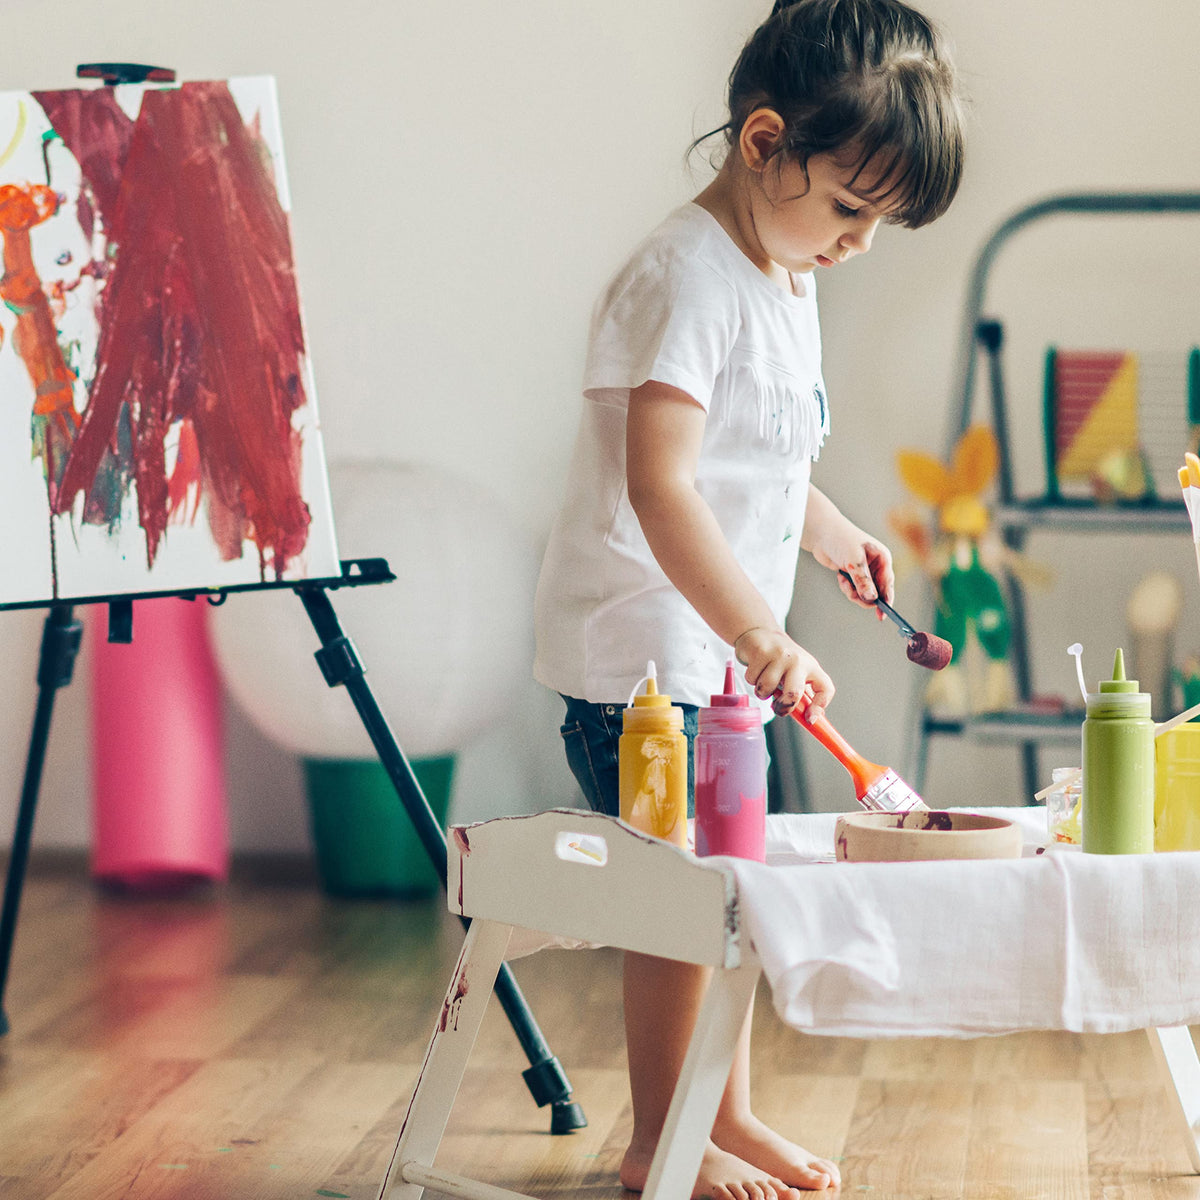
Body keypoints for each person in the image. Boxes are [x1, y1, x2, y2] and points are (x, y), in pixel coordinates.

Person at [534, 0, 965, 1195]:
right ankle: (658, 1141)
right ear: (763, 141)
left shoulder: (784, 269)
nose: (859, 246)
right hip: (645, 673)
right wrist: (761, 632)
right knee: (683, 905)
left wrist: (826, 536)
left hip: (719, 668)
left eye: (880, 224)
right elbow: (662, 483)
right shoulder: (682, 277)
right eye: (850, 210)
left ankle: (723, 1119)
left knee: (735, 899)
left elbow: (758, 457)